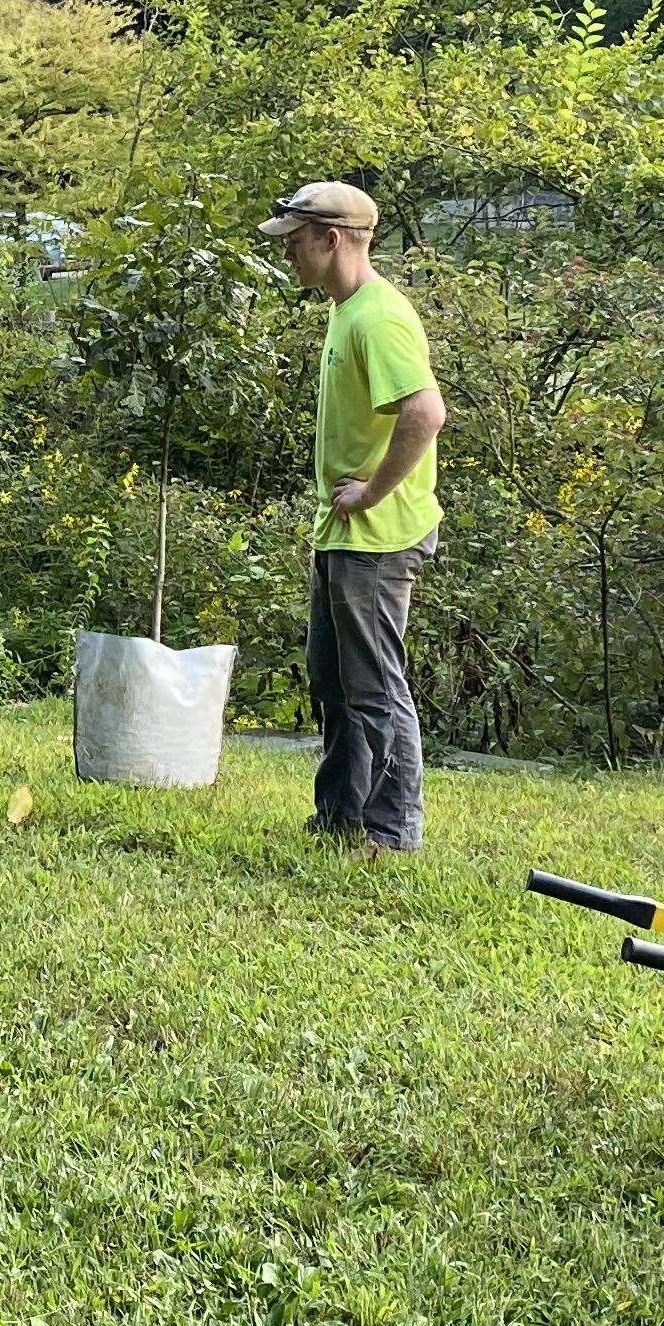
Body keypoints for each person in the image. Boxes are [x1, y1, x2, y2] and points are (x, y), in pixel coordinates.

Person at [264, 179, 445, 855]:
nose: (289, 255)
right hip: (344, 535)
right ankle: (340, 817)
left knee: (374, 690)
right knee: (333, 682)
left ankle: (393, 832)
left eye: (295, 241)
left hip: (378, 538)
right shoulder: (346, 310)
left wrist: (370, 494)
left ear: (331, 239)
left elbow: (425, 413)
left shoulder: (377, 317)